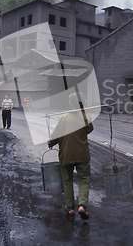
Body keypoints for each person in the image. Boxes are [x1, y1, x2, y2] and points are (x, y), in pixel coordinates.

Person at [48, 92, 93, 220]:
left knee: (67, 181)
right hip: (82, 154)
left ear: (70, 103)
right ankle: (82, 205)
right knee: (84, 179)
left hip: (66, 155)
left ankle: (70, 208)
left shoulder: (63, 118)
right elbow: (89, 129)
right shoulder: (86, 117)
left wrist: (50, 143)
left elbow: (55, 136)